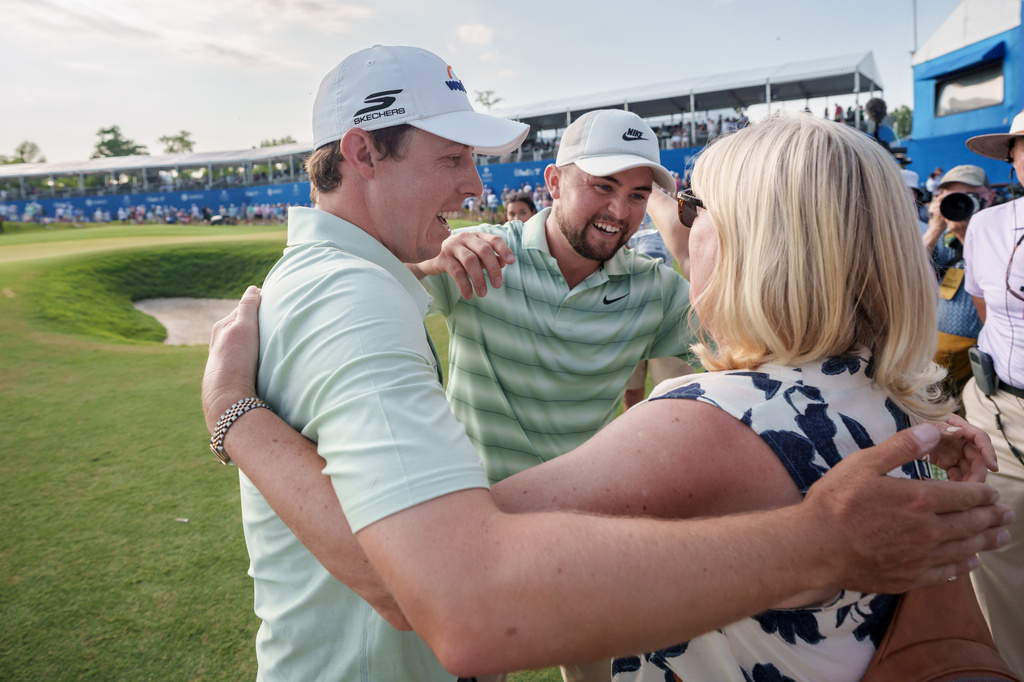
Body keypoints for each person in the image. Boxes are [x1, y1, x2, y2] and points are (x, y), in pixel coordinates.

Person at [202, 46, 1011, 682]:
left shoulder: (709, 413)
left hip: (518, 570)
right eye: (453, 159)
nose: (655, 224)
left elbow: (433, 581)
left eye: (675, 204)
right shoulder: (892, 413)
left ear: (761, 247)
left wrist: (234, 418)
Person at [407, 108, 697, 486]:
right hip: (472, 509)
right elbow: (362, 286)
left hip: (574, 518)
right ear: (555, 183)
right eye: (603, 187)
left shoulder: (653, 289)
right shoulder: (483, 253)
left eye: (637, 195)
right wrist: (423, 262)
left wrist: (690, 256)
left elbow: (762, 334)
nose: (621, 211)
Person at [960, 110, 1024, 677]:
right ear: (1014, 160)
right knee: (999, 553)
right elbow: (985, 311)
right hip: (1004, 408)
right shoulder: (987, 225)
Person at [922, 165, 996, 411]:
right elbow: (908, 276)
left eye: (968, 195)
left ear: (989, 197)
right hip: (936, 351)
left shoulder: (1002, 235)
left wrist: (967, 237)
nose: (959, 203)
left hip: (982, 356)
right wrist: (935, 228)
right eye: (951, 196)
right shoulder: (944, 238)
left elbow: (994, 280)